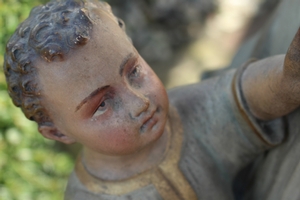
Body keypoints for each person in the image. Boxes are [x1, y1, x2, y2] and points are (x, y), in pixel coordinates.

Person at [3, 0, 300, 199]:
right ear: (58, 132)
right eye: (102, 105)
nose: (139, 102)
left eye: (133, 72)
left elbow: (242, 97)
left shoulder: (184, 113)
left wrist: (288, 77)